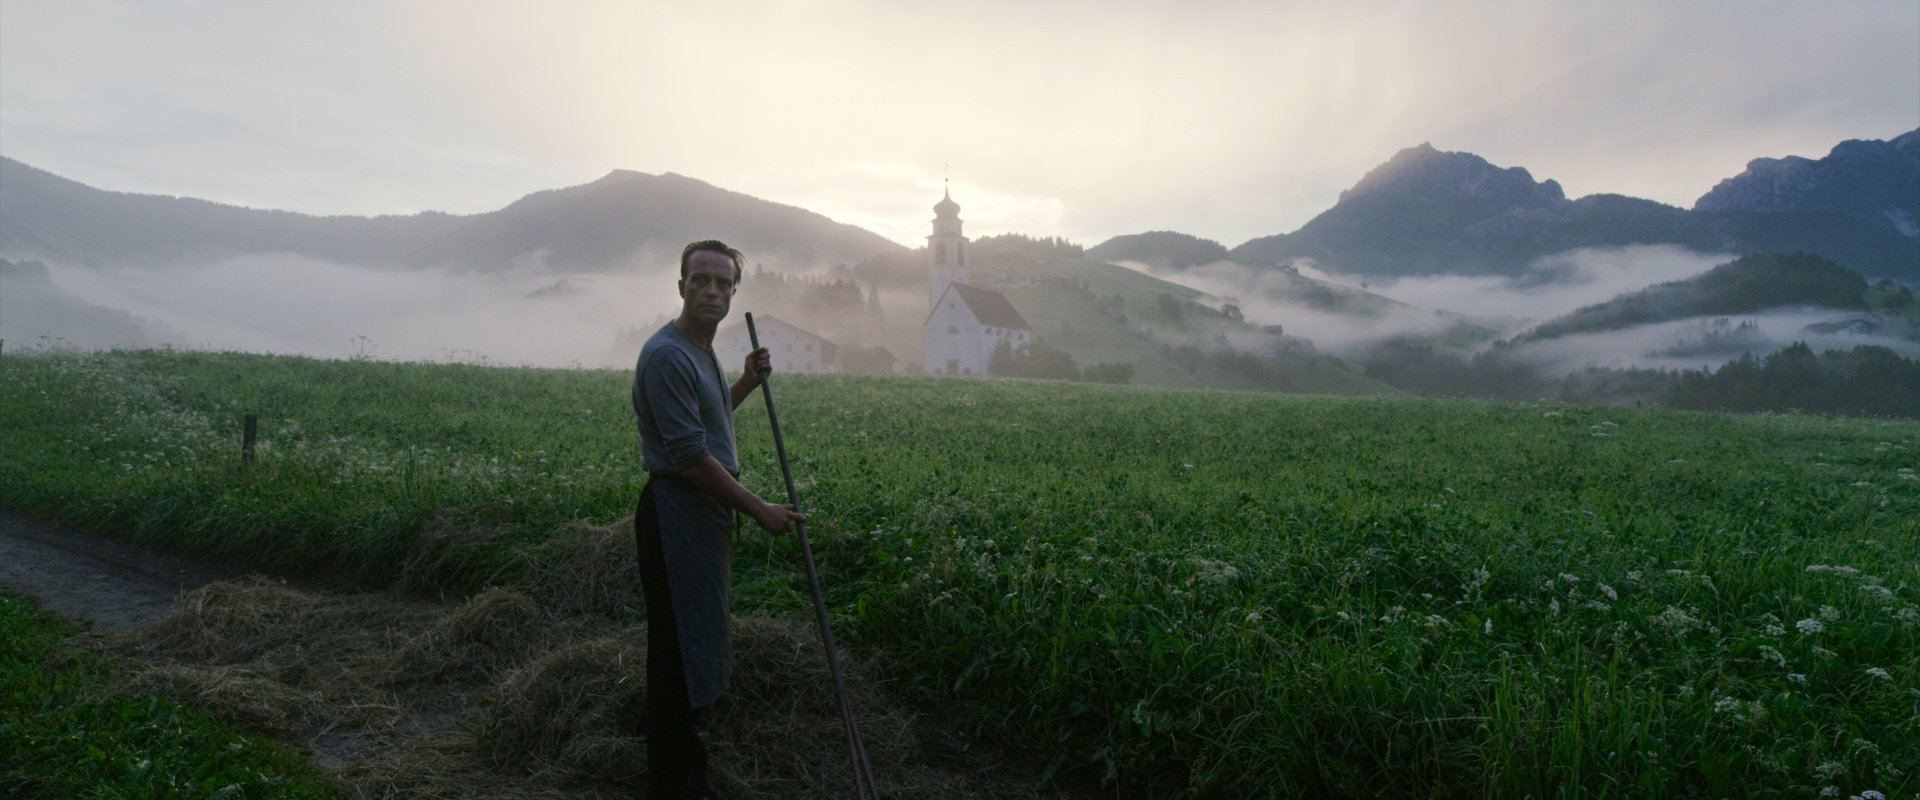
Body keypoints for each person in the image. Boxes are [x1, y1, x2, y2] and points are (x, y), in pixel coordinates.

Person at [632, 239, 805, 799]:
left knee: (696, 638)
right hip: (676, 513)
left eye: (722, 283)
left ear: (734, 292)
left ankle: (681, 754)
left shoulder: (700, 350)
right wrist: (759, 509)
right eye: (700, 279)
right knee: (679, 649)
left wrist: (747, 384)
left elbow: (704, 423)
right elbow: (688, 457)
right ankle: (676, 780)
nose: (711, 290)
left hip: (701, 514)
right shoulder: (667, 356)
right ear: (680, 286)